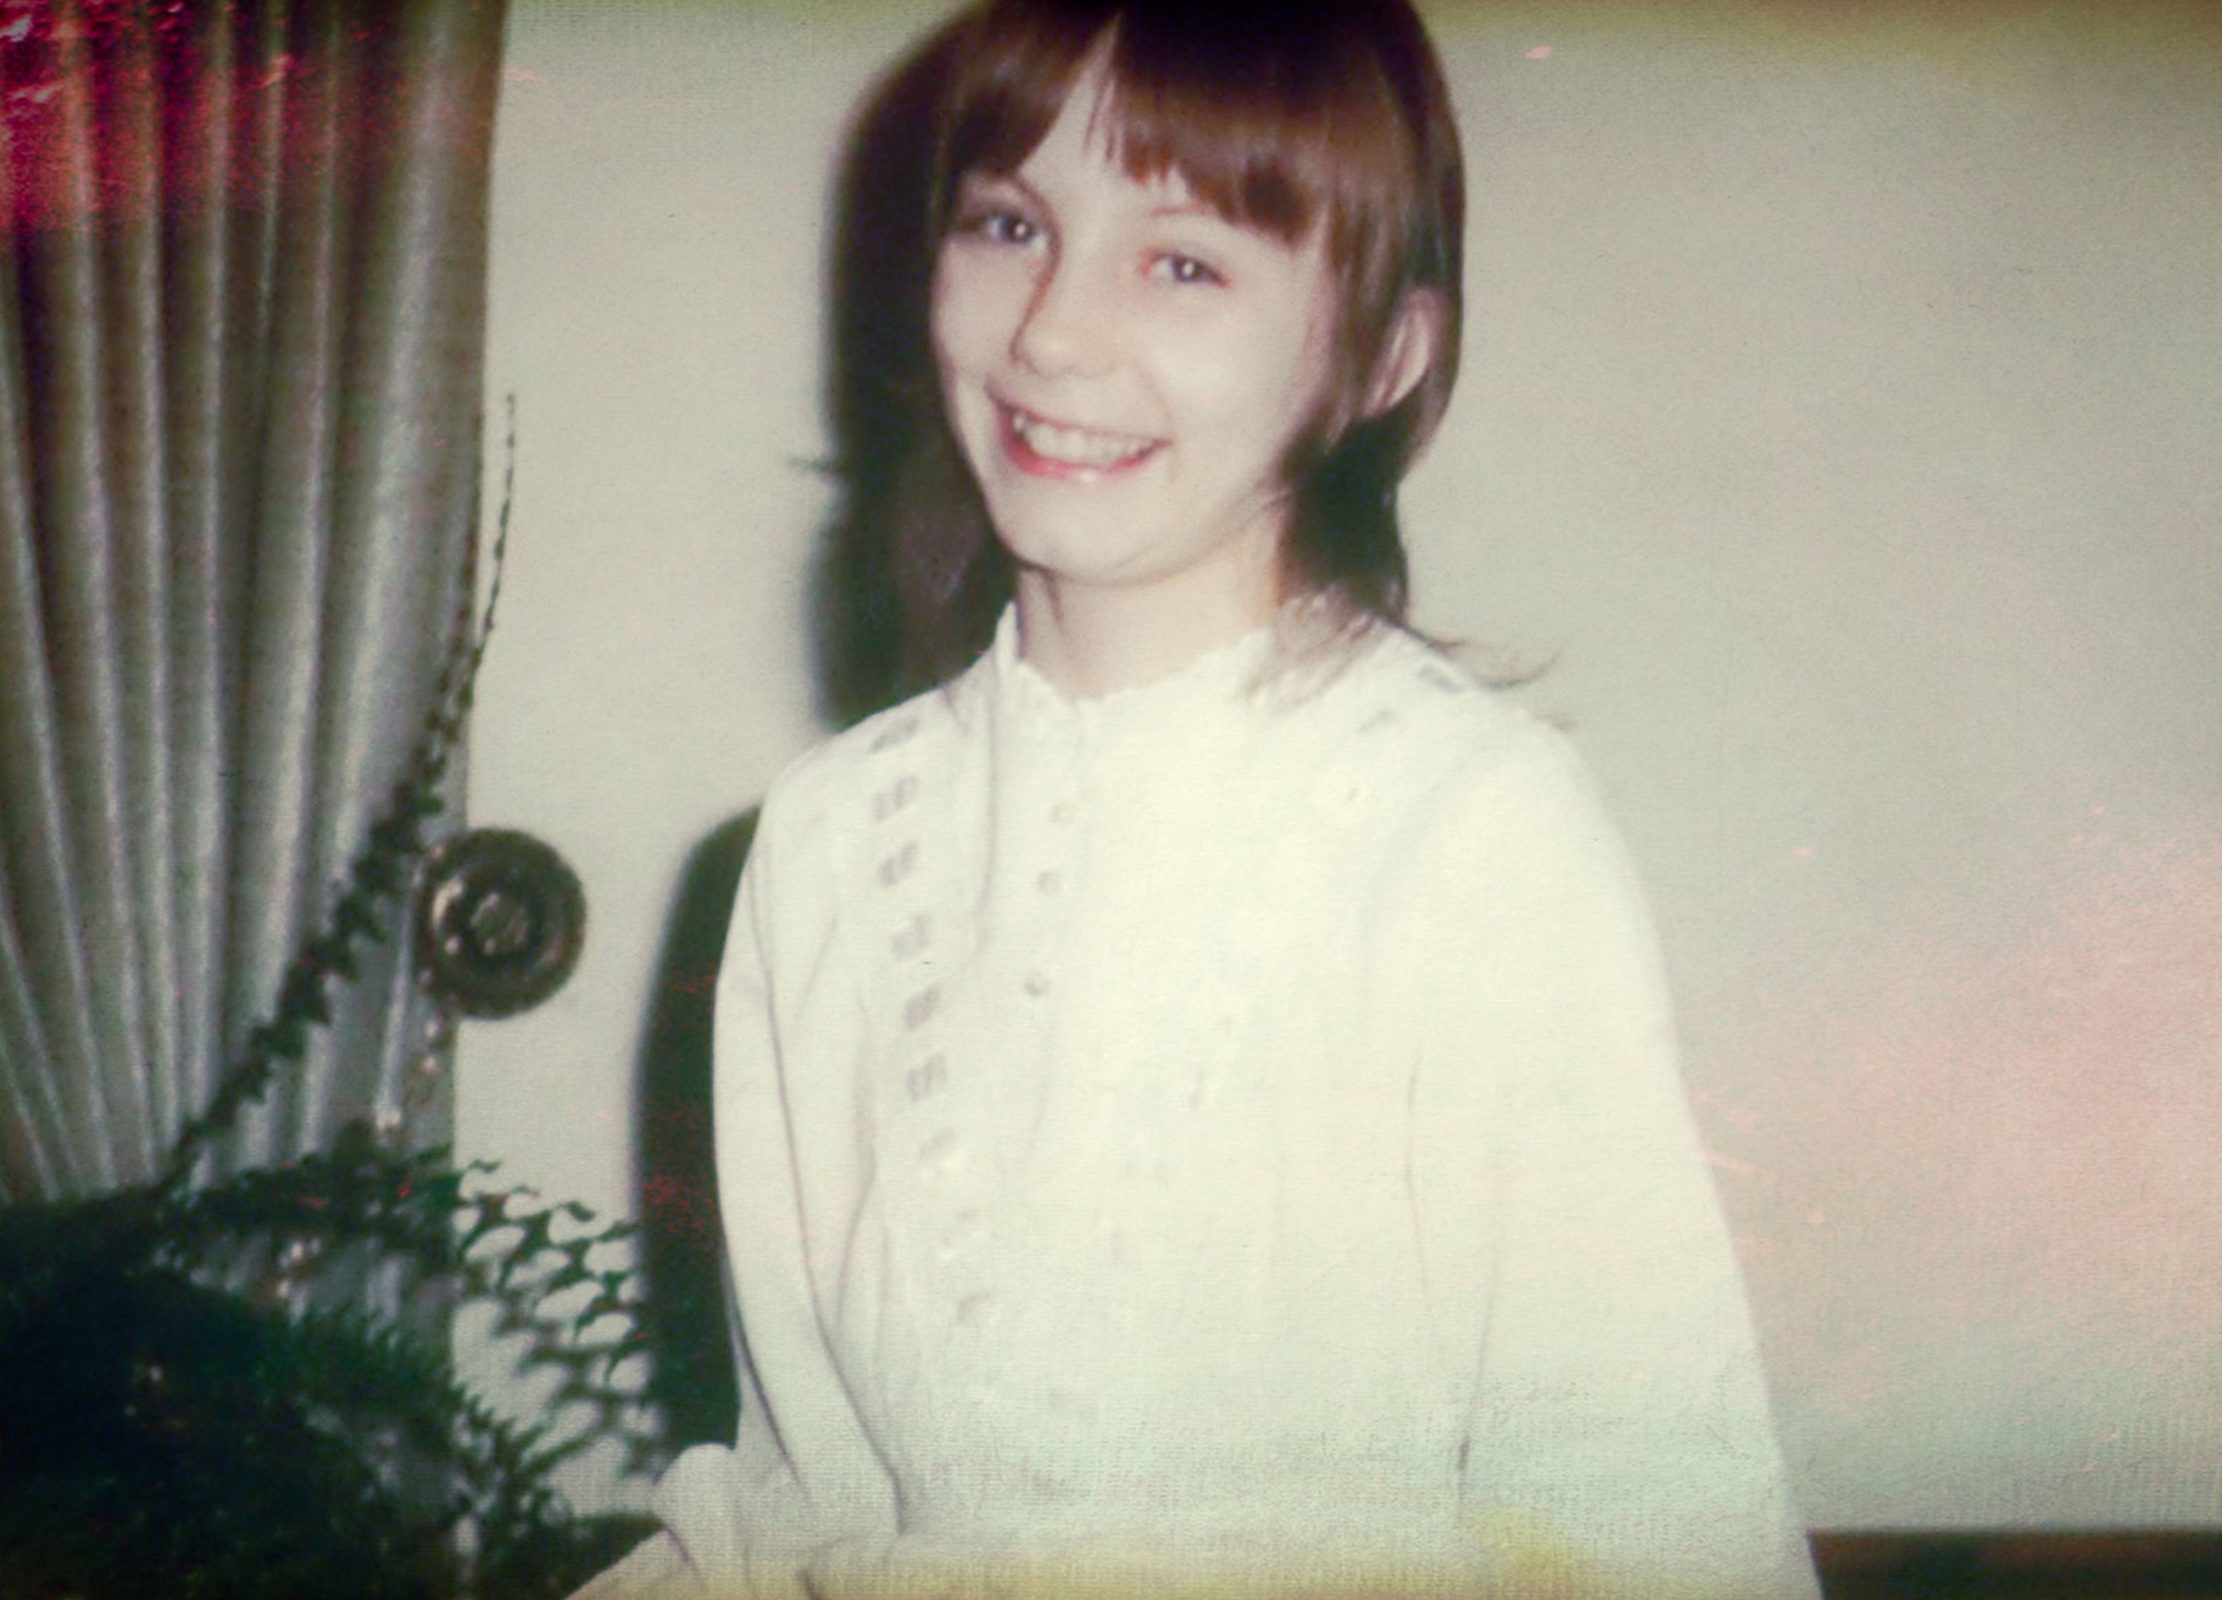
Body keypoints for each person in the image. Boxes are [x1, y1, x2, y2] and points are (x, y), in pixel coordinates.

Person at [580, 0, 1820, 1594]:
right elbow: (798, 1499)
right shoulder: (816, 849)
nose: (1052, 335)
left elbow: (1652, 1522)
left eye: (1183, 262)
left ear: (1384, 355)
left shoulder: (1472, 828)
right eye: (1012, 224)